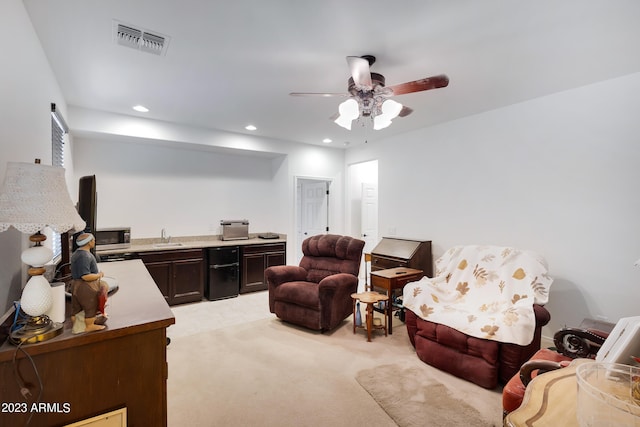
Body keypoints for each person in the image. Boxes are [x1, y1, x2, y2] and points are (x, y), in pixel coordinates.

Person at [70, 233, 108, 333]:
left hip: (75, 285)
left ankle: (77, 324)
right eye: (93, 240)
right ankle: (89, 325)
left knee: (76, 308)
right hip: (85, 286)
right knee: (90, 306)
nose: (94, 242)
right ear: (89, 242)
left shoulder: (76, 253)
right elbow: (85, 276)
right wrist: (99, 275)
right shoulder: (85, 256)